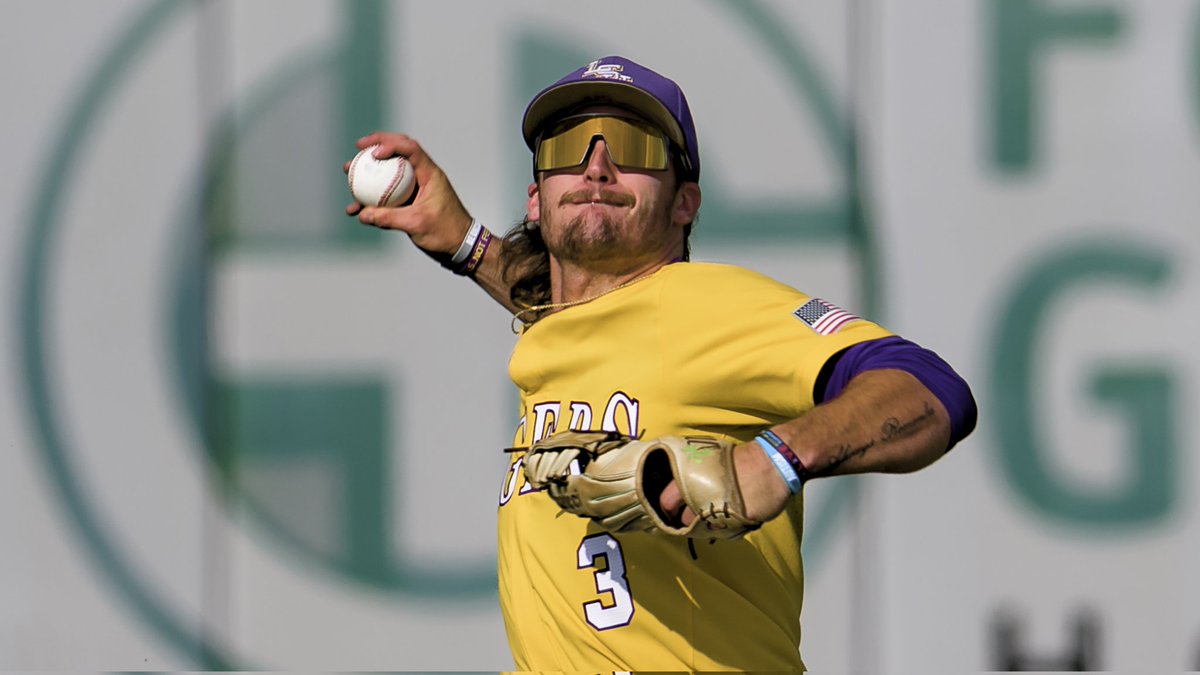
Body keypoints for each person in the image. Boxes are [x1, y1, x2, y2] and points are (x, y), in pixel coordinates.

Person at [346, 56, 977, 672]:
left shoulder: (707, 306)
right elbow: (564, 308)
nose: (597, 166)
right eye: (569, 145)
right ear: (537, 198)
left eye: (633, 147)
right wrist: (464, 241)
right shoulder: (567, 326)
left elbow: (931, 390)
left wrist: (776, 459)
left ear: (685, 203)